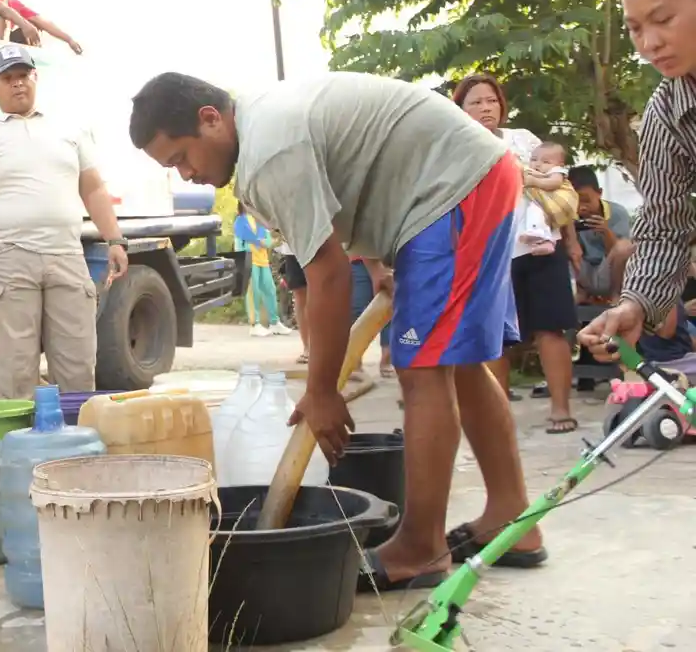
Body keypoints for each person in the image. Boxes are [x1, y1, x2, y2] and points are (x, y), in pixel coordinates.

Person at [129, 70, 545, 592]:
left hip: (455, 188)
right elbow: (357, 180)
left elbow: (325, 275)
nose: (186, 174)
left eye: (181, 158)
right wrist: (380, 263)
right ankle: (512, 519)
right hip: (462, 182)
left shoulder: (269, 151)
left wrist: (322, 391)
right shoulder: (262, 126)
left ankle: (421, 547)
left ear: (210, 119)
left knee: (422, 369)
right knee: (454, 362)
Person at [0, 45, 127, 399]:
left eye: (23, 75)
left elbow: (93, 189)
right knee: (15, 370)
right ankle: (20, 435)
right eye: (7, 78)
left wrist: (115, 240)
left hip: (66, 255)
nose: (18, 84)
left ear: (35, 78)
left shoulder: (69, 130)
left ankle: (76, 433)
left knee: (77, 364)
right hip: (8, 258)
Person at [580, 0, 696, 363]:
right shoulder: (667, 112)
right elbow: (665, 226)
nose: (649, 43)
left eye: (662, 19)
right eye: (635, 28)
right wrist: (636, 304)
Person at [454, 74, 577, 425]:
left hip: (543, 248)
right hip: (492, 253)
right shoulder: (456, 148)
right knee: (494, 336)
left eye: (491, 100)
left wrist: (571, 240)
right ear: (460, 109)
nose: (486, 108)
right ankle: (499, 418)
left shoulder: (522, 139)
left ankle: (561, 409)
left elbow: (559, 184)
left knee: (551, 328)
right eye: (476, 102)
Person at [568, 165, 634, 303]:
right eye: (575, 201)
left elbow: (621, 253)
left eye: (586, 200)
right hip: (583, 270)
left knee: (625, 246)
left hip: (609, 269)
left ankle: (616, 295)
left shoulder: (617, 213)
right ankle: (581, 292)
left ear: (599, 193)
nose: (582, 207)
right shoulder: (569, 215)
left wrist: (606, 231)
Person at [232, 203, 292, 337]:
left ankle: (274, 322)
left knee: (269, 290)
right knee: (253, 292)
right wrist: (263, 242)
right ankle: (255, 324)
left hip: (262, 260)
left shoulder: (259, 220)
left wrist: (274, 241)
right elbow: (247, 238)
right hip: (249, 259)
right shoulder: (240, 220)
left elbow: (268, 240)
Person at [520, 142, 576, 255]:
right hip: (543, 204)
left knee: (537, 212)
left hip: (558, 202)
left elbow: (555, 183)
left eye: (546, 162)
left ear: (559, 164)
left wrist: (535, 182)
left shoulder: (556, 171)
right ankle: (542, 240)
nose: (538, 164)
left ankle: (545, 239)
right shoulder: (535, 171)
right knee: (535, 213)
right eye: (534, 159)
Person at [350, 256, 394, 378]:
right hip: (359, 258)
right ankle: (354, 361)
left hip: (388, 256)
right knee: (357, 308)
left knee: (389, 304)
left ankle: (387, 359)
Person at [278, 240, 313, 363]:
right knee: (300, 293)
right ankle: (308, 347)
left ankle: (322, 347)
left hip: (319, 245)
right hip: (293, 248)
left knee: (321, 292)